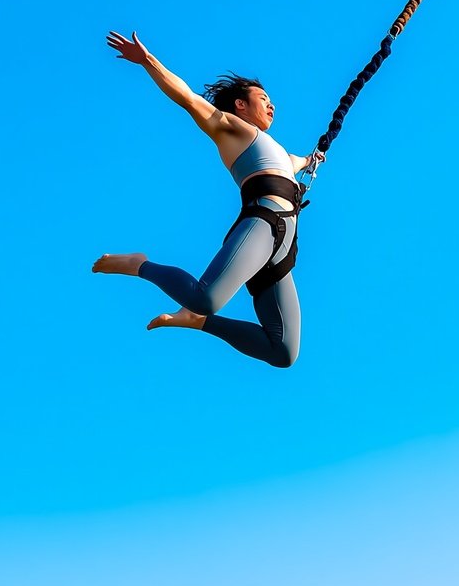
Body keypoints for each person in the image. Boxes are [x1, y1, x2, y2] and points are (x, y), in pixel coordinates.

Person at [93, 31, 324, 368]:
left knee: (284, 351)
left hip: (285, 243)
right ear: (240, 105)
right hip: (261, 224)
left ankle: (196, 321)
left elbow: (295, 161)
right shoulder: (231, 129)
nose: (272, 104)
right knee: (205, 297)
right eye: (263, 98)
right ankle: (140, 264)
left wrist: (312, 158)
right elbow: (187, 97)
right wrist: (147, 61)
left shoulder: (277, 151)